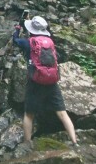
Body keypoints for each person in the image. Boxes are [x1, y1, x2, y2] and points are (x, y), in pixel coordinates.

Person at [12, 14, 78, 147]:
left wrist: (18, 28)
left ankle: (27, 143)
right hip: (52, 81)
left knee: (29, 114)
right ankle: (75, 142)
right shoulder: (50, 42)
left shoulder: (28, 42)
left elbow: (15, 40)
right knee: (62, 113)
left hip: (35, 82)